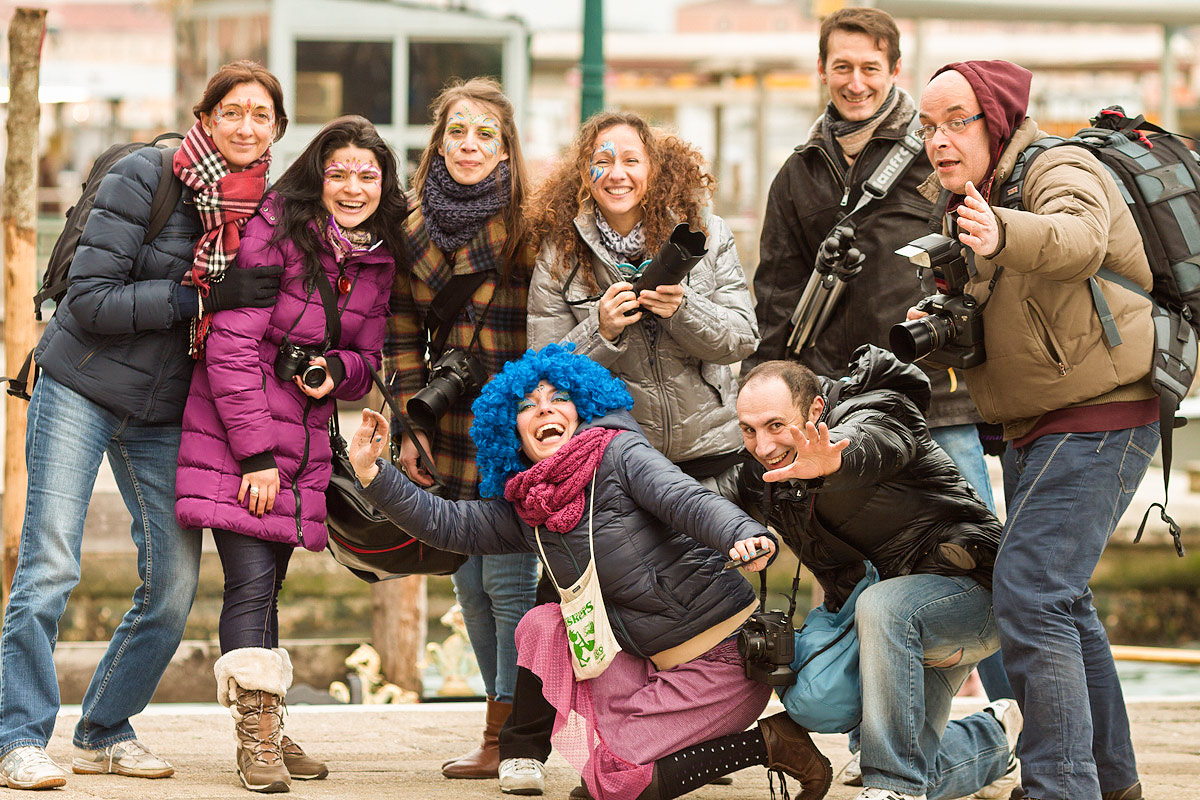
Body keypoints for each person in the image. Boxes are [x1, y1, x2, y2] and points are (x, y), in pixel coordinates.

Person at [349, 344, 833, 800]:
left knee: (612, 781)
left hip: (722, 664)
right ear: (510, 430)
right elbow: (447, 524)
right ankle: (638, 757)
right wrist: (375, 475)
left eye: (559, 398)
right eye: (527, 405)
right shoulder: (529, 508)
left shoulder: (620, 455)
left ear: (581, 409)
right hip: (644, 662)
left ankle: (771, 743)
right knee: (541, 624)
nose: (544, 409)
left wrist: (741, 534)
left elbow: (687, 499)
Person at [0, 60, 286, 791]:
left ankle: (101, 730)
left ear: (277, 129)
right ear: (207, 115)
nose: (246, 125)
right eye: (233, 111)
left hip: (166, 410)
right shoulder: (146, 176)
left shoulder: (267, 213)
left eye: (262, 114)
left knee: (173, 585)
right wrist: (200, 298)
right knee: (51, 565)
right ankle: (18, 737)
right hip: (82, 384)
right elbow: (91, 300)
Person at [913, 60, 1157, 800]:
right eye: (927, 126)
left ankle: (1060, 785)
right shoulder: (969, 199)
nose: (939, 139)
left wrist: (1002, 231)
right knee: (1062, 598)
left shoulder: (1060, 165)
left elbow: (1079, 237)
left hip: (1101, 410)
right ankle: (1110, 780)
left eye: (957, 120)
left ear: (996, 118)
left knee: (1031, 592)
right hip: (1036, 422)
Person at [509, 110, 760, 795]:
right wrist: (602, 326)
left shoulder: (703, 237)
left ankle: (684, 737)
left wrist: (684, 311)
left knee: (702, 606)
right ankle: (526, 742)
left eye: (630, 160)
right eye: (601, 162)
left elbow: (741, 335)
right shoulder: (562, 252)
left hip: (704, 448)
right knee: (570, 593)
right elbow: (542, 370)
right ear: (584, 176)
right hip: (609, 456)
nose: (615, 173)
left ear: (654, 169)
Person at [175, 115, 407, 793]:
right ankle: (257, 741)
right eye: (339, 173)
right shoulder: (275, 234)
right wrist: (254, 456)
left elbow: (368, 359)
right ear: (317, 176)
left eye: (368, 175)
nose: (354, 186)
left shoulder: (376, 258)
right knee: (250, 583)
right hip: (239, 444)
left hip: (301, 447)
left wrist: (337, 371)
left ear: (383, 183)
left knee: (271, 586)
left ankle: (269, 723)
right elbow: (229, 347)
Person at [725, 347, 1019, 800]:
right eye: (749, 430)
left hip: (971, 596)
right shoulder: (762, 473)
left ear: (816, 410)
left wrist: (834, 462)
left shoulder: (879, 408)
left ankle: (893, 788)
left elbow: (876, 442)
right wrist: (740, 532)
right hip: (883, 629)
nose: (762, 446)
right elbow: (700, 504)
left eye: (776, 426)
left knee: (882, 608)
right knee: (905, 759)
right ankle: (999, 741)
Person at [384, 77, 539, 781]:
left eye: (486, 134)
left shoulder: (532, 222)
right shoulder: (411, 225)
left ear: (506, 147)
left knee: (508, 583)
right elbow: (402, 331)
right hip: (445, 424)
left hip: (517, 422)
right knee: (468, 585)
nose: (469, 145)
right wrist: (409, 424)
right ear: (437, 141)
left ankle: (511, 734)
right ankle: (499, 722)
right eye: (457, 131)